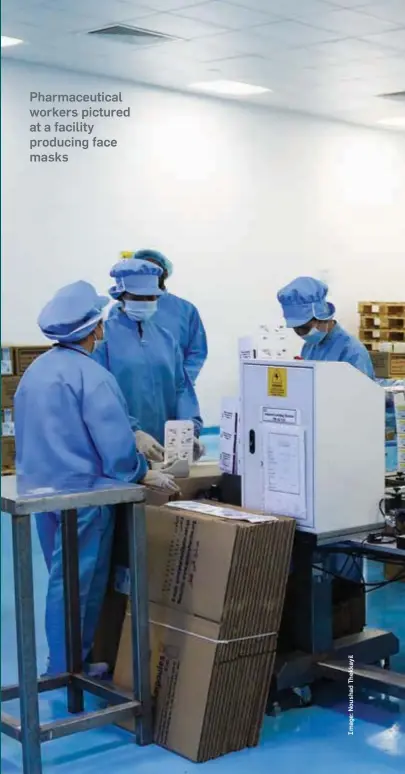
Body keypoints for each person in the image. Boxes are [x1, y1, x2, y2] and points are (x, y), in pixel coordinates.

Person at [14, 280, 179, 676]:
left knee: (61, 575)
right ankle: (67, 668)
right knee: (79, 583)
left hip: (42, 491)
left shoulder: (37, 371)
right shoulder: (91, 375)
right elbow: (115, 449)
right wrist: (143, 471)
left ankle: (65, 660)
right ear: (94, 329)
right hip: (83, 497)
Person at [95, 257, 205, 462]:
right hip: (121, 448)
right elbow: (101, 397)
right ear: (121, 296)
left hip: (166, 450)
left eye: (151, 298)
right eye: (138, 298)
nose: (146, 303)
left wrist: (188, 429)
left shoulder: (165, 338)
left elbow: (181, 388)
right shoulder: (103, 340)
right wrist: (132, 432)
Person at [109, 249, 207, 384]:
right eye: (144, 269)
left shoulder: (186, 310)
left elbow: (197, 351)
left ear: (164, 273)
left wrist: (181, 382)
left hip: (173, 386)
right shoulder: (119, 310)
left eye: (154, 270)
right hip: (128, 384)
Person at [277, 276, 374, 378]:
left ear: (321, 317)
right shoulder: (309, 347)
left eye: (304, 328)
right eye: (295, 329)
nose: (301, 334)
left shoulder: (352, 351)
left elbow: (361, 391)